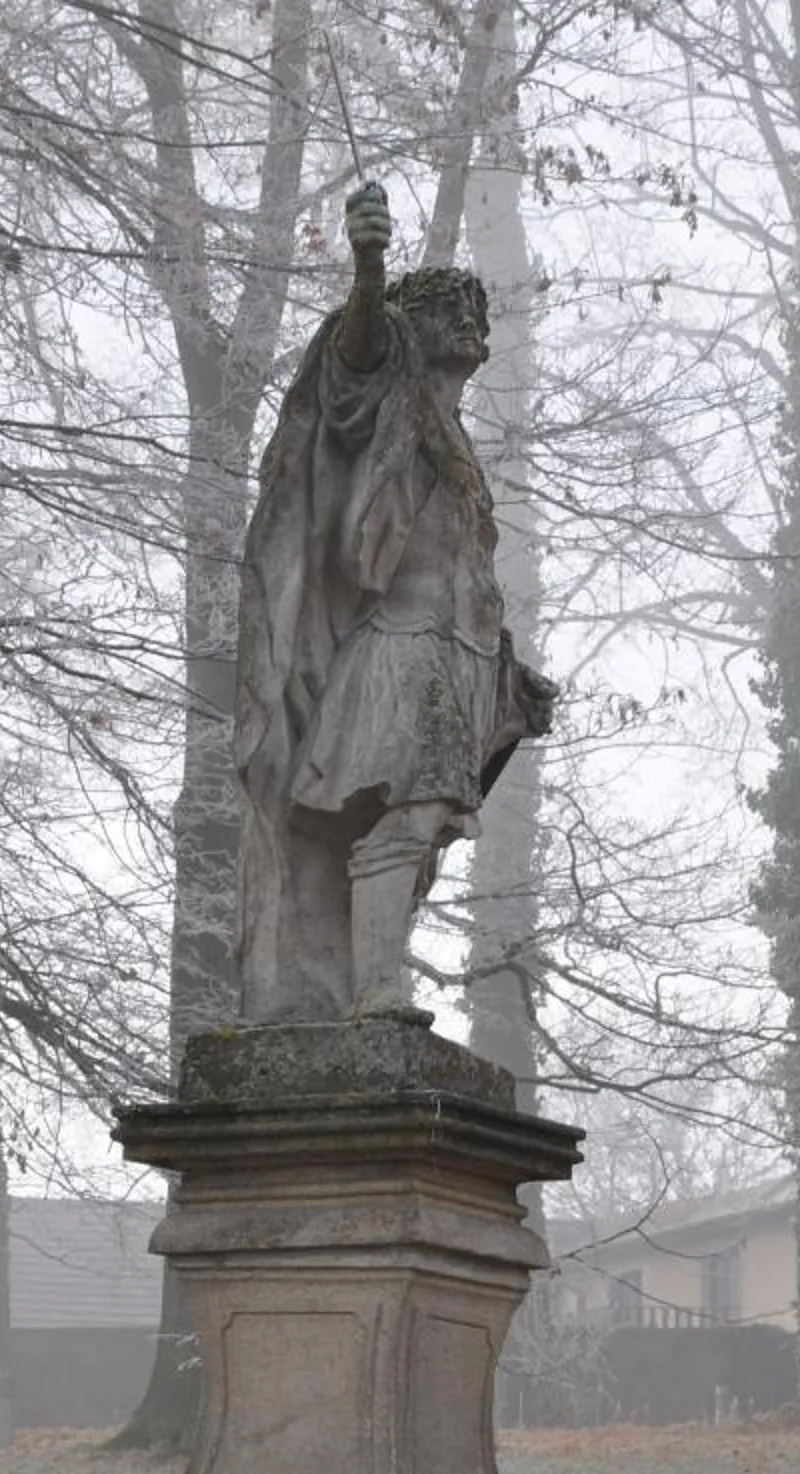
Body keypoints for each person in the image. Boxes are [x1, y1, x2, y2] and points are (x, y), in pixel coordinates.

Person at [233, 180, 554, 1024]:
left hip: (455, 655)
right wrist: (370, 269)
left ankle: (371, 981)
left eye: (477, 310)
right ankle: (374, 992)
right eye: (452, 307)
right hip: (397, 651)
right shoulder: (391, 405)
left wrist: (508, 672)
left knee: (428, 821)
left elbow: (462, 573)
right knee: (409, 813)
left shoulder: (456, 445)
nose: (471, 320)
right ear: (416, 324)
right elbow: (357, 360)